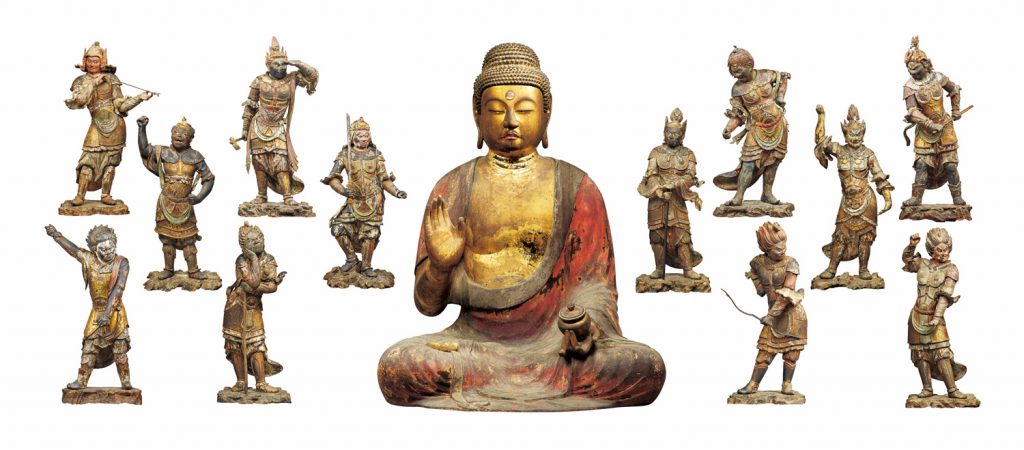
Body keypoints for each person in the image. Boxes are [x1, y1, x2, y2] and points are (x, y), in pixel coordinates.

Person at [377, 43, 665, 411]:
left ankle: (495, 386)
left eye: (525, 109)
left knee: (643, 367)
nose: (511, 121)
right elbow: (426, 305)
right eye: (496, 110)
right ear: (476, 114)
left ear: (547, 113)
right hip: (472, 343)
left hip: (555, 346)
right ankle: (535, 386)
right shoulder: (453, 187)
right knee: (399, 365)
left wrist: (584, 326)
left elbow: (596, 288)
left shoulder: (577, 186)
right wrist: (442, 265)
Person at [64, 41, 153, 207]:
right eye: (89, 61)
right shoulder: (80, 81)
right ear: (84, 61)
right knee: (87, 162)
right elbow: (79, 101)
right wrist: (94, 83)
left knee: (110, 164)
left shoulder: (111, 79)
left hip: (116, 125)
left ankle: (106, 195)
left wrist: (139, 98)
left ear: (102, 62)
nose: (92, 64)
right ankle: (80, 196)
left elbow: (121, 106)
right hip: (96, 124)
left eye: (96, 61)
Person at [45, 224, 132, 389]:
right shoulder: (89, 259)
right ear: (94, 250)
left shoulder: (121, 263)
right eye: (103, 250)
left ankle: (125, 381)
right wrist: (57, 235)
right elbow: (73, 250)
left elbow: (119, 289)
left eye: (111, 248)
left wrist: (108, 314)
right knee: (89, 346)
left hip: (115, 312)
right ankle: (82, 380)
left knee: (119, 348)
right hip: (97, 311)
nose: (109, 252)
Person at [813, 105, 893, 280]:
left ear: (863, 135)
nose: (855, 138)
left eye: (858, 135)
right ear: (845, 135)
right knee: (840, 235)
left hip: (866, 199)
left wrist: (888, 198)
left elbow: (879, 176)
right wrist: (821, 116)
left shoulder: (868, 154)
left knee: (866, 237)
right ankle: (832, 269)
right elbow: (820, 141)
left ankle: (863, 269)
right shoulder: (839, 150)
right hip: (847, 200)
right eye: (851, 135)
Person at [238, 37, 318, 206]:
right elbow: (250, 105)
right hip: (259, 126)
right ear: (268, 65)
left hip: (278, 128)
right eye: (277, 64)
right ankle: (261, 196)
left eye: (284, 64)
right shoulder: (259, 80)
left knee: (282, 162)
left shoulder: (292, 79)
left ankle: (287, 196)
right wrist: (244, 129)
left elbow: (312, 76)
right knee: (259, 162)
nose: (281, 67)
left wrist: (296, 63)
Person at [323, 117, 406, 276]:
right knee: (338, 227)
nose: (364, 138)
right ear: (353, 136)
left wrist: (396, 192)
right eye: (360, 135)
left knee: (370, 233)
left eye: (366, 135)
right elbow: (332, 178)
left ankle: (366, 266)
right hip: (353, 200)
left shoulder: (376, 155)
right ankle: (351, 259)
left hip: (373, 200)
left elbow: (384, 179)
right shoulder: (345, 154)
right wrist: (343, 191)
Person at [137, 116, 215, 280]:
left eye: (184, 134)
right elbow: (144, 151)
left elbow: (209, 178)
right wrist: (142, 128)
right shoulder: (163, 152)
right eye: (176, 132)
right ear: (171, 134)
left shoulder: (195, 156)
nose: (179, 135)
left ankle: (193, 270)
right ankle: (168, 269)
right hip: (166, 202)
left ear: (191, 138)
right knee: (167, 239)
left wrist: (199, 197)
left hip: (185, 205)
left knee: (189, 240)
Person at [736, 222, 807, 396]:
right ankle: (753, 385)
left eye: (784, 246)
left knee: (791, 353)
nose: (782, 251)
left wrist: (771, 315)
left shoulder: (791, 263)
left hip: (792, 316)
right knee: (764, 353)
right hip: (773, 316)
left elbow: (787, 293)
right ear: (766, 249)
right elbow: (754, 273)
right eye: (777, 249)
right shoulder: (758, 262)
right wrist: (759, 285)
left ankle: (787, 384)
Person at [715, 46, 790, 206]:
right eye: (732, 69)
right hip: (757, 128)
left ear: (749, 65)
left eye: (738, 68)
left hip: (778, 125)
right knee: (748, 163)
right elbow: (738, 114)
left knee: (773, 161)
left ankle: (767, 193)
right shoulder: (737, 89)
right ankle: (738, 196)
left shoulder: (767, 74)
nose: (734, 72)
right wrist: (729, 128)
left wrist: (780, 96)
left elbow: (783, 78)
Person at [637, 107, 703, 279]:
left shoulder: (688, 154)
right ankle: (659, 269)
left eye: (676, 134)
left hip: (677, 199)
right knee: (657, 235)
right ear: (664, 133)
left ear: (682, 135)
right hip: (657, 200)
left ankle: (687, 269)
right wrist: (659, 190)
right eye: (669, 133)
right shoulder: (656, 152)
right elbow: (650, 175)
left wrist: (676, 184)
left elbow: (690, 176)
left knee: (682, 234)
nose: (672, 137)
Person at [902, 228, 968, 399]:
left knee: (942, 353)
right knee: (920, 354)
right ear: (932, 250)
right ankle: (927, 389)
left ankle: (952, 390)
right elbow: (907, 261)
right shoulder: (922, 263)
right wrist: (911, 246)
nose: (944, 253)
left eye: (946, 249)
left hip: (935, 317)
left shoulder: (951, 269)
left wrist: (937, 317)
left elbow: (945, 296)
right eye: (940, 250)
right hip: (916, 316)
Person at [902, 36, 966, 206]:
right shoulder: (909, 86)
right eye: (909, 70)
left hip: (945, 129)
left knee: (950, 165)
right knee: (921, 165)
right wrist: (930, 124)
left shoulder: (938, 77)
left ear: (925, 64)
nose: (912, 73)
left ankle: (957, 198)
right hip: (925, 131)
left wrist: (956, 110)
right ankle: (916, 198)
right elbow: (912, 111)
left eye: (916, 69)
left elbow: (954, 89)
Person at [222, 222, 287, 393]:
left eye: (260, 238)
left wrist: (256, 285)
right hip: (235, 306)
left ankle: (261, 383)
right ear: (244, 247)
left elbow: (269, 287)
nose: (258, 241)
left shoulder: (269, 259)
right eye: (252, 241)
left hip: (253, 307)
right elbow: (253, 283)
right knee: (235, 344)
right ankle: (240, 382)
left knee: (257, 345)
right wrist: (253, 260)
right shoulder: (241, 260)